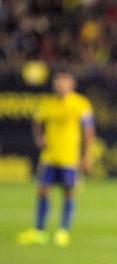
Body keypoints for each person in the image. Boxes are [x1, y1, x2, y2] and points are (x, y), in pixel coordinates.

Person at [17, 72, 95, 247]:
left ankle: (63, 231)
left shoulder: (81, 104)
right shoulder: (47, 103)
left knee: (68, 192)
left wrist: (86, 155)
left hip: (69, 158)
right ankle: (39, 231)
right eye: (58, 84)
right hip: (49, 157)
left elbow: (88, 132)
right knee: (43, 191)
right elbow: (37, 121)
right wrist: (39, 138)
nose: (60, 87)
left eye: (63, 84)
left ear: (71, 85)